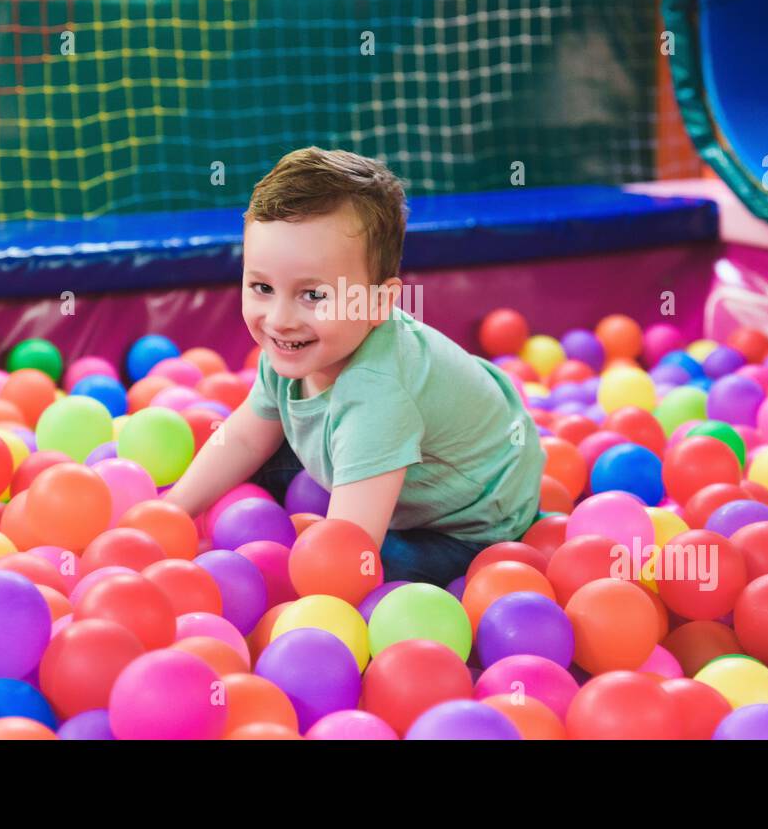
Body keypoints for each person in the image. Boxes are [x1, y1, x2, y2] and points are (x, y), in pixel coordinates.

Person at [163, 147, 545, 586]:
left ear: (380, 302)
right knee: (257, 465)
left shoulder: (376, 391)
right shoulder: (292, 344)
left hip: (466, 522)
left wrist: (297, 588)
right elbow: (247, 437)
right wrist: (174, 511)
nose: (280, 318)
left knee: (377, 567)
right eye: (263, 287)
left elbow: (349, 546)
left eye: (314, 295)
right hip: (395, 456)